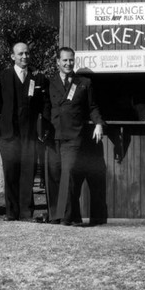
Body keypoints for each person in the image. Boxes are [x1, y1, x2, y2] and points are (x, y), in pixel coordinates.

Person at [45, 46, 106, 226]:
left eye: (71, 60)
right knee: (54, 175)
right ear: (57, 62)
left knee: (68, 174)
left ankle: (65, 217)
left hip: (73, 136)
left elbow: (93, 107)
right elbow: (45, 108)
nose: (68, 63)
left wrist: (99, 124)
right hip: (53, 136)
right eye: (64, 60)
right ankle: (56, 215)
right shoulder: (49, 82)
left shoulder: (84, 83)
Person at [0, 42, 49, 221]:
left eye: (27, 53)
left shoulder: (38, 78)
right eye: (20, 54)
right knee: (10, 171)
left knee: (28, 171)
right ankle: (11, 212)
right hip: (8, 134)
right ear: (12, 56)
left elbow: (44, 105)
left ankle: (26, 212)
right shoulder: (2, 76)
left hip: (29, 134)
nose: (24, 57)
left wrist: (43, 129)